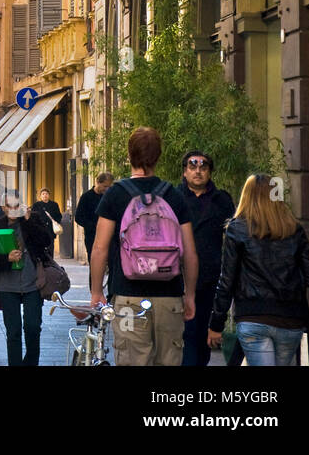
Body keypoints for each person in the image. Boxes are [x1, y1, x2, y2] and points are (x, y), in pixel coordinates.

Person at [89, 126, 198, 366]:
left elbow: (100, 248)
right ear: (158, 156)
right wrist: (189, 295)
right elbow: (189, 252)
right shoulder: (174, 195)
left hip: (128, 297)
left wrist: (96, 291)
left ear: (130, 155)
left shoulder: (116, 194)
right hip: (169, 298)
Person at [207, 174, 309, 366]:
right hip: (290, 319)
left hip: (253, 317)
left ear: (247, 196)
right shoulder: (293, 229)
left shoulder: (237, 230)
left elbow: (226, 282)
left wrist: (216, 324)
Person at [175, 150, 235, 366]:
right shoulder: (173, 198)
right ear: (184, 171)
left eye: (203, 167)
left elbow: (233, 238)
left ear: (210, 172)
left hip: (210, 276)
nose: (198, 171)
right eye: (192, 167)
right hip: (178, 277)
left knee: (203, 338)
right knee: (186, 336)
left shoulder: (222, 200)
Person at [0, 197, 52, 366]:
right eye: (8, 206)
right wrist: (7, 258)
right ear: (3, 208)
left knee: (33, 328)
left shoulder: (31, 220)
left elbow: (46, 241)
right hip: (7, 287)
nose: (12, 209)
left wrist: (28, 221)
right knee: (13, 332)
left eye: (16, 205)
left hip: (32, 284)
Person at [74, 172, 113, 261]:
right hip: (92, 237)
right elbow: (78, 217)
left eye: (109, 187)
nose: (107, 189)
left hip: (109, 238)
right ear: (98, 182)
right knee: (94, 265)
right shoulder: (86, 197)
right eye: (105, 186)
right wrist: (93, 226)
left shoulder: (110, 197)